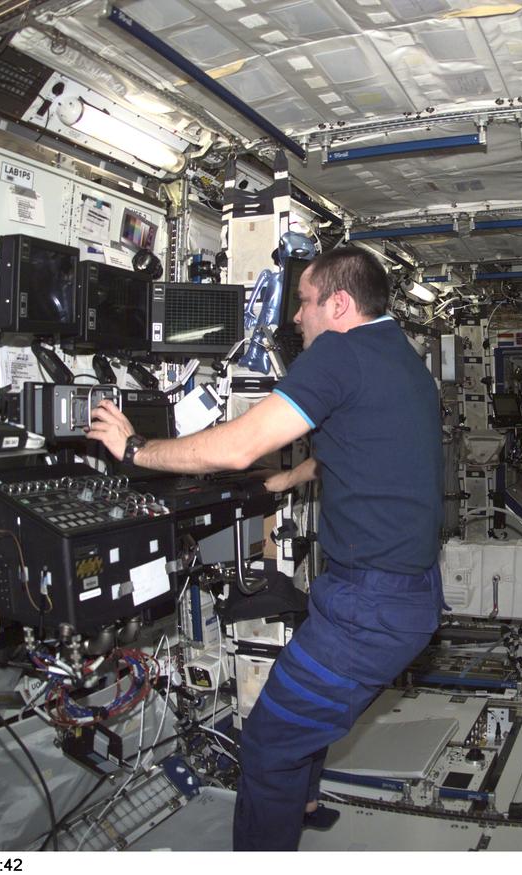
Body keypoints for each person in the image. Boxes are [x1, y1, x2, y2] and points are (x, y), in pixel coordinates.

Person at [86, 246, 444, 851]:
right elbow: (365, 440)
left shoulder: (339, 350)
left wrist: (133, 449)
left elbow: (235, 448)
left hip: (369, 609)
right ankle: (301, 803)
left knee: (269, 741)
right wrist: (281, 482)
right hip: (395, 594)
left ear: (339, 304)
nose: (297, 320)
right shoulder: (399, 356)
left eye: (304, 304)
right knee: (305, 724)